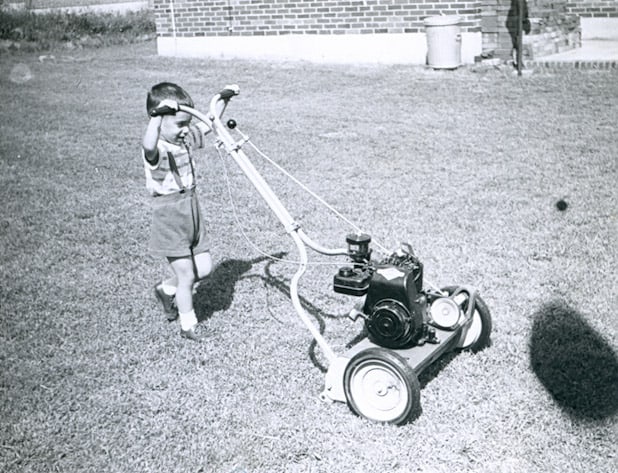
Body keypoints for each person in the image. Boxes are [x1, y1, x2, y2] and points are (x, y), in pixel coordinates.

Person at [142, 82, 213, 341]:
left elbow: (207, 124)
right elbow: (149, 145)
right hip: (169, 213)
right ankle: (188, 325)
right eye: (180, 124)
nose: (186, 130)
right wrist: (157, 117)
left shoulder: (182, 138)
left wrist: (222, 99)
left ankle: (165, 289)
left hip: (192, 208)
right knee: (187, 275)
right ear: (160, 123)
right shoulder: (157, 147)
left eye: (186, 124)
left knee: (203, 270)